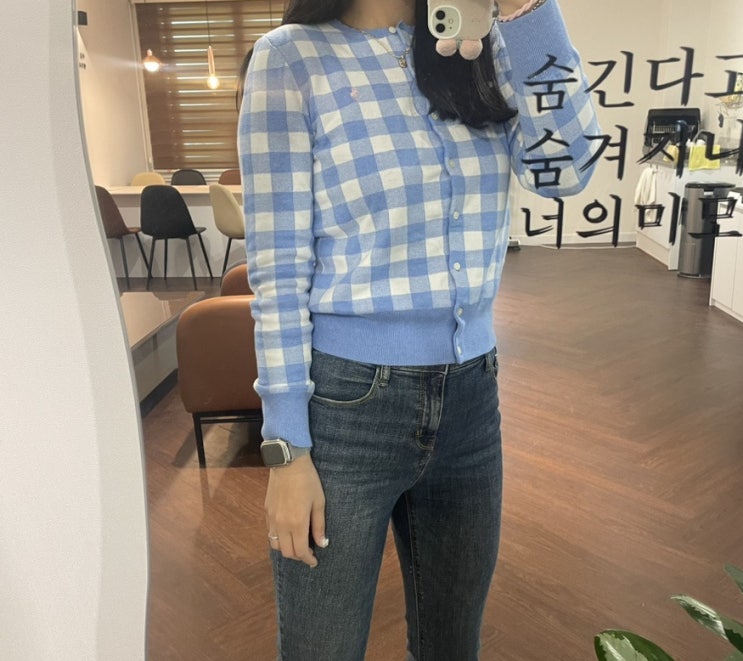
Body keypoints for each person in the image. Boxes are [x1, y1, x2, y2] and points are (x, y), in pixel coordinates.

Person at [237, 0, 599, 658]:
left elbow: (566, 172)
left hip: (472, 399)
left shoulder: (481, 49)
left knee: (452, 646)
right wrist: (286, 451)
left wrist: (527, 12)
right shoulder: (291, 58)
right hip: (346, 408)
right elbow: (279, 270)